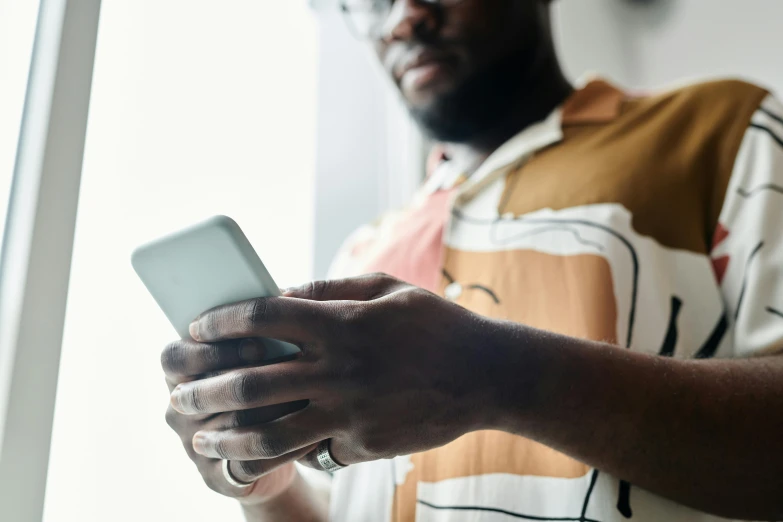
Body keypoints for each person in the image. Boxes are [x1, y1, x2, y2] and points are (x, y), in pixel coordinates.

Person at [161, 0, 783, 520]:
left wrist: (493, 377)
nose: (403, 19)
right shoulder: (365, 249)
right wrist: (271, 488)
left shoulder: (724, 131)